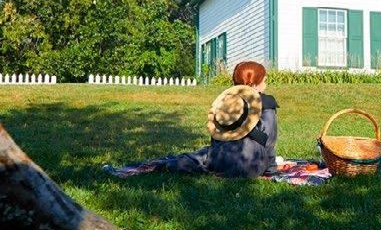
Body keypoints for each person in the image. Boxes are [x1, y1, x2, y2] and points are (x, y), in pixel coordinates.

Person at [103, 61, 279, 178]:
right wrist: (271, 169)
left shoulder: (227, 103)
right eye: (264, 80)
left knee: (187, 159)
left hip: (222, 160)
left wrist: (213, 155)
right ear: (254, 84)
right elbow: (269, 142)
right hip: (253, 166)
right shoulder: (267, 105)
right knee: (193, 157)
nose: (266, 83)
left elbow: (218, 135)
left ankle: (138, 169)